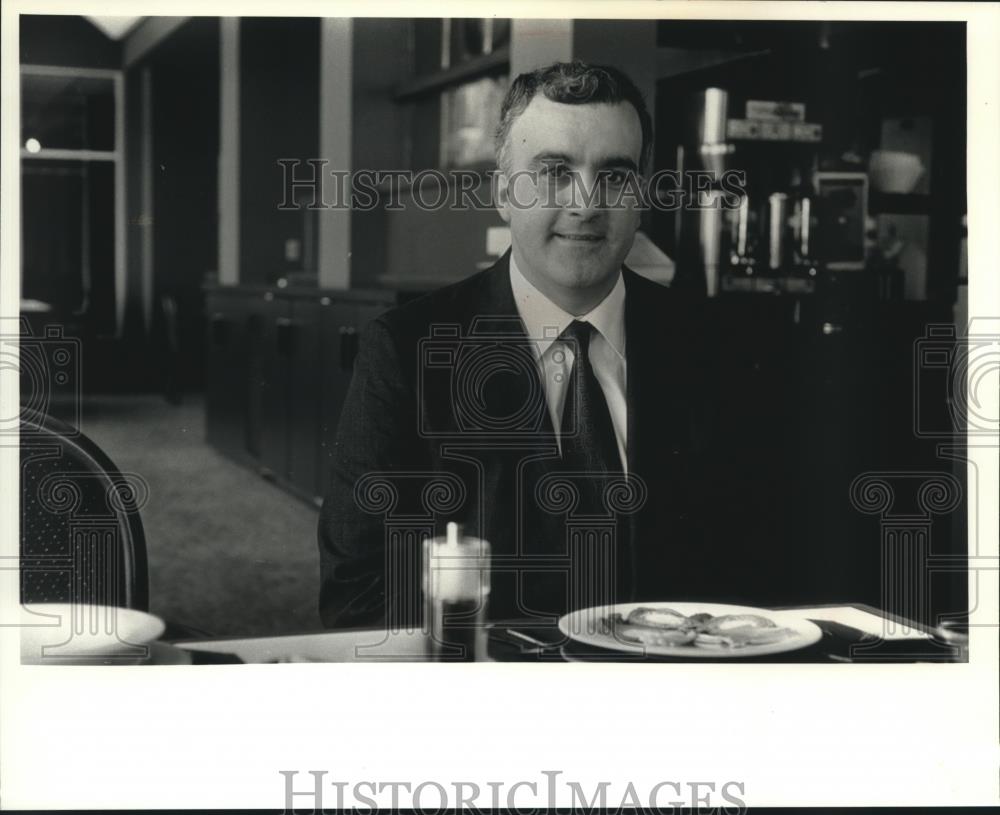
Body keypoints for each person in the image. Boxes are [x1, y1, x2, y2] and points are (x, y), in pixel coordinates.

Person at [318, 61, 722, 629]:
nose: (586, 203)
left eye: (614, 175)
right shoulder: (407, 351)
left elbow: (762, 563)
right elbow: (356, 593)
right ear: (505, 193)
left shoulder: (716, 346)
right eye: (555, 171)